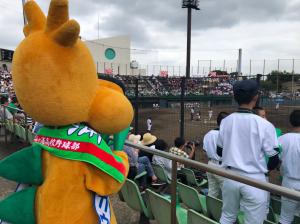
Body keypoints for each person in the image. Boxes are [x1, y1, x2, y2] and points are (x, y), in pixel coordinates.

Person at [217, 80, 280, 224]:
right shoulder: (265, 124)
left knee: (227, 217)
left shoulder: (226, 121)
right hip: (255, 179)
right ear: (255, 97)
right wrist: (266, 170)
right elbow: (274, 159)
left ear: (235, 97)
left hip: (230, 176)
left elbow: (219, 151)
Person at [278, 110, 300, 224]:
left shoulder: (282, 139)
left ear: (291, 123)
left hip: (288, 183)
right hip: (290, 181)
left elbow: (275, 161)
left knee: (285, 218)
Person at [203, 111, 228, 198]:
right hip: (222, 167)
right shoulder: (226, 135)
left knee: (212, 192)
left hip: (210, 165)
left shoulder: (208, 134)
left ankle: (210, 211)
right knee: (227, 195)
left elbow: (205, 151)